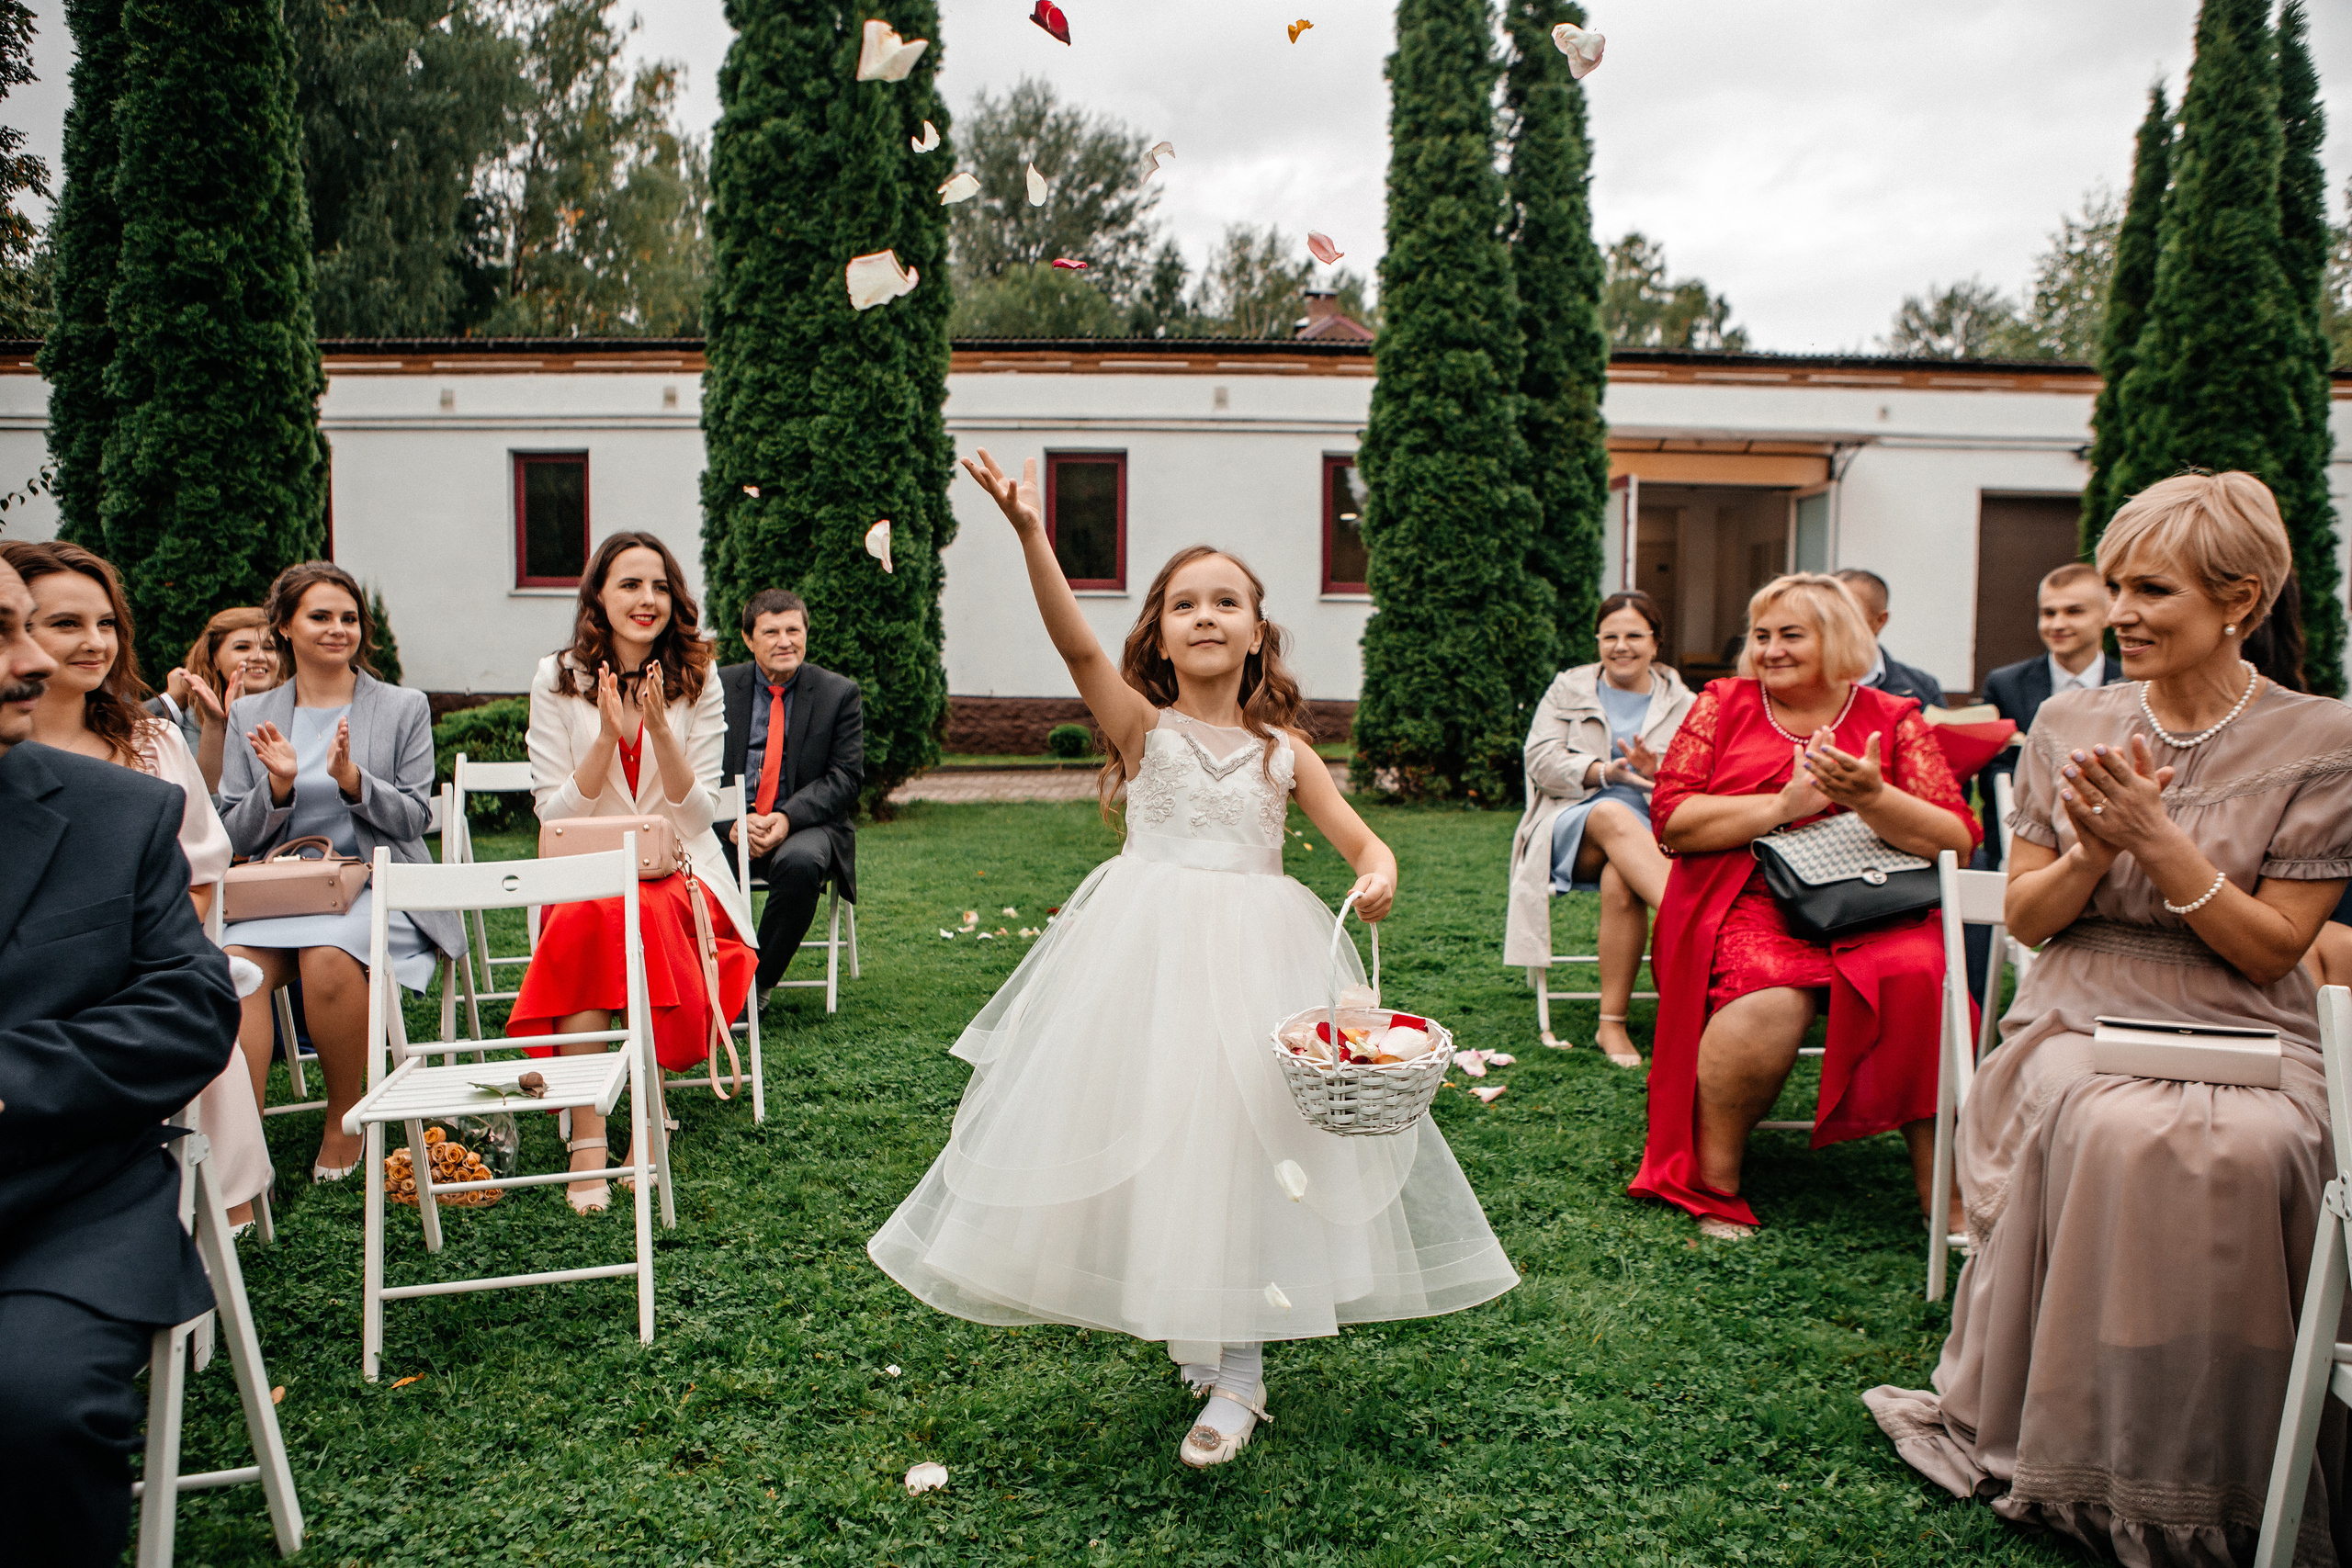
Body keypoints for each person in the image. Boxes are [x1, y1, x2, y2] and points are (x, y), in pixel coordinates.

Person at [871, 449, 1518, 1471]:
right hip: (1147, 957)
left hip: (1261, 952)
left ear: (1257, 631)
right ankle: (1193, 1316)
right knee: (1168, 1136)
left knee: (1253, 1138)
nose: (1206, 616)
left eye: (1227, 602)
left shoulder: (1284, 751)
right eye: (1184, 603)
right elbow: (1076, 647)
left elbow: (1360, 840)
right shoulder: (1145, 731)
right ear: (1160, 634)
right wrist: (1035, 536)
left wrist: (1382, 866)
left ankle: (1243, 1369)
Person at [1864, 471, 2352, 1564]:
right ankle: (2087, 1434)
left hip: (2252, 1014)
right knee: (2113, 1124)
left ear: (2239, 600)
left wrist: (2157, 837)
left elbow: (2276, 947)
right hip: (2084, 999)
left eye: (2153, 591)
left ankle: (2226, 1450)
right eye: (2117, 586)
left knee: (2266, 1142)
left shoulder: (2322, 738)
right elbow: (2032, 918)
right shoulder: (2069, 719)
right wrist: (2093, 846)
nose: (2121, 612)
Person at [0, 548, 241, 1568]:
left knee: (31, 1410)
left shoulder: (115, 811)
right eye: (8, 635)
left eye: (31, 630)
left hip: (59, 1208)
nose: (35, 664)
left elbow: (193, 1008)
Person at [1633, 573, 1979, 1240]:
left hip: (1875, 901)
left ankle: (1949, 1198)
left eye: (1791, 634)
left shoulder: (1893, 717)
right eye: (1761, 635)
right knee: (1770, 994)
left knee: (1924, 976)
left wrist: (1875, 797)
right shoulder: (1722, 704)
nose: (1771, 649)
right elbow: (1673, 820)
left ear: (1839, 638)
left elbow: (1957, 839)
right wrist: (1781, 808)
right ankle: (1716, 1180)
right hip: (1746, 897)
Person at [5, 540, 270, 1229]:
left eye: (106, 623)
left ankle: (218, 1212)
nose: (94, 642)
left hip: (143, 977)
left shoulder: (152, 743)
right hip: (27, 1002)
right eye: (65, 623)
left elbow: (202, 874)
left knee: (171, 1007)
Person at [512, 530, 755, 1214]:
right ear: (598, 597)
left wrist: (662, 734)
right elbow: (552, 812)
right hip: (585, 878)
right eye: (629, 584)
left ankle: (641, 1126)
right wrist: (606, 741)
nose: (646, 600)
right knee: (599, 909)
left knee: (636, 911)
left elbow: (698, 816)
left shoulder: (699, 678)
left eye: (658, 586)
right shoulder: (554, 678)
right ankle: (592, 1136)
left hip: (679, 874)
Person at [220, 560, 460, 1182]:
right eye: (320, 616)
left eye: (349, 618)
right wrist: (277, 786)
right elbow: (230, 833)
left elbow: (412, 816)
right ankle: (240, 1137)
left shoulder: (402, 707)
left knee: (325, 956)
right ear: (284, 626)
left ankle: (344, 1115)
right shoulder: (251, 715)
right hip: (280, 893)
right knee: (232, 970)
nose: (338, 629)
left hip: (379, 886)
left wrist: (353, 781)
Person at [1504, 590, 1695, 1065]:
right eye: (1609, 636)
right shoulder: (1569, 688)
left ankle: (1611, 1026)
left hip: (1653, 837)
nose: (1620, 646)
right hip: (1571, 828)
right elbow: (1539, 759)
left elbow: (1702, 778)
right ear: (1598, 641)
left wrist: (1657, 775)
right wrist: (1605, 773)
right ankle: (1700, 926)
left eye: (1633, 635)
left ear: (1656, 642)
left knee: (1621, 880)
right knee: (1610, 812)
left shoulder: (1687, 703)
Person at [717, 588, 865, 1000]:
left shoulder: (839, 694)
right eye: (771, 632)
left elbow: (846, 777)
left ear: (805, 632)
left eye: (793, 630)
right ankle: (715, 981)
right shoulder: (718, 687)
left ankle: (756, 985)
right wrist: (732, 821)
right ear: (748, 639)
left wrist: (786, 818)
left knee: (802, 864)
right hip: (729, 820)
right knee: (695, 866)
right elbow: (696, 767)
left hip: (807, 824)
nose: (785, 641)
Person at [1976, 563, 2120, 867]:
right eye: (2048, 613)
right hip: (2024, 842)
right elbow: (1992, 773)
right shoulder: (2005, 684)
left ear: (2107, 615)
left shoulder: (2130, 684)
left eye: (2074, 611)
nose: (2057, 623)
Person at [147, 605, 279, 795]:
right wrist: (220, 725)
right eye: (242, 647)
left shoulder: (295, 705)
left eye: (269, 648)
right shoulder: (197, 717)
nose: (259, 657)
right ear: (214, 658)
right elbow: (206, 795)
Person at [1834, 568, 1945, 712]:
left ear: (1880, 621)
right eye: (1825, 611)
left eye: (1847, 611)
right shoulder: (1802, 685)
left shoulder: (1920, 688)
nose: (1833, 620)